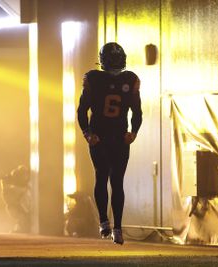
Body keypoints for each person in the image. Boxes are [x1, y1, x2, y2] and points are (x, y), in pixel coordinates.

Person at [77, 42, 142, 245]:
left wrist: (133, 133)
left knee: (117, 181)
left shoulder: (129, 79)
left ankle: (118, 227)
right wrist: (88, 133)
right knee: (102, 173)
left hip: (119, 136)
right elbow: (82, 110)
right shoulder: (94, 78)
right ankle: (104, 220)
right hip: (100, 136)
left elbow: (137, 112)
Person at [0, 165, 31, 233]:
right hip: (16, 206)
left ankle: (22, 228)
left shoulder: (25, 186)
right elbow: (7, 193)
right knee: (20, 215)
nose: (25, 176)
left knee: (21, 214)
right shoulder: (16, 186)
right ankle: (21, 227)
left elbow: (8, 197)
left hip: (22, 207)